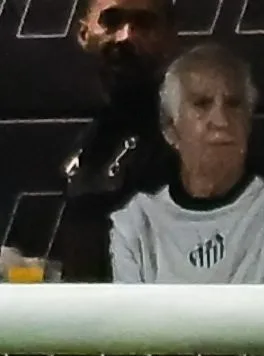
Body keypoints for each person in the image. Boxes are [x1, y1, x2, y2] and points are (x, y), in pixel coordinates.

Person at [107, 43, 264, 287]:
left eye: (234, 104)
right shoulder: (136, 220)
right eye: (201, 104)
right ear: (170, 129)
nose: (221, 121)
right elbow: (131, 321)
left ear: (249, 122)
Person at [21, 0, 179, 283]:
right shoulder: (77, 141)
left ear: (168, 40)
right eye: (112, 21)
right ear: (84, 34)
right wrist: (22, 272)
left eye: (144, 24)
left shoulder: (186, 143)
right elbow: (75, 273)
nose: (126, 36)